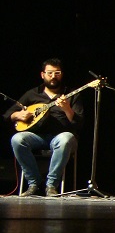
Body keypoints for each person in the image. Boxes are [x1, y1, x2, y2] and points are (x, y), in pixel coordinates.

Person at [3, 58, 84, 197]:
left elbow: (79, 123)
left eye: (57, 73)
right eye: (50, 73)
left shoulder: (72, 94)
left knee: (66, 138)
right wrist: (18, 115)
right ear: (42, 74)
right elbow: (8, 115)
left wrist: (67, 109)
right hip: (36, 137)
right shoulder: (32, 94)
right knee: (17, 139)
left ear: (62, 74)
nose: (53, 76)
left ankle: (51, 185)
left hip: (60, 137)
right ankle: (34, 183)